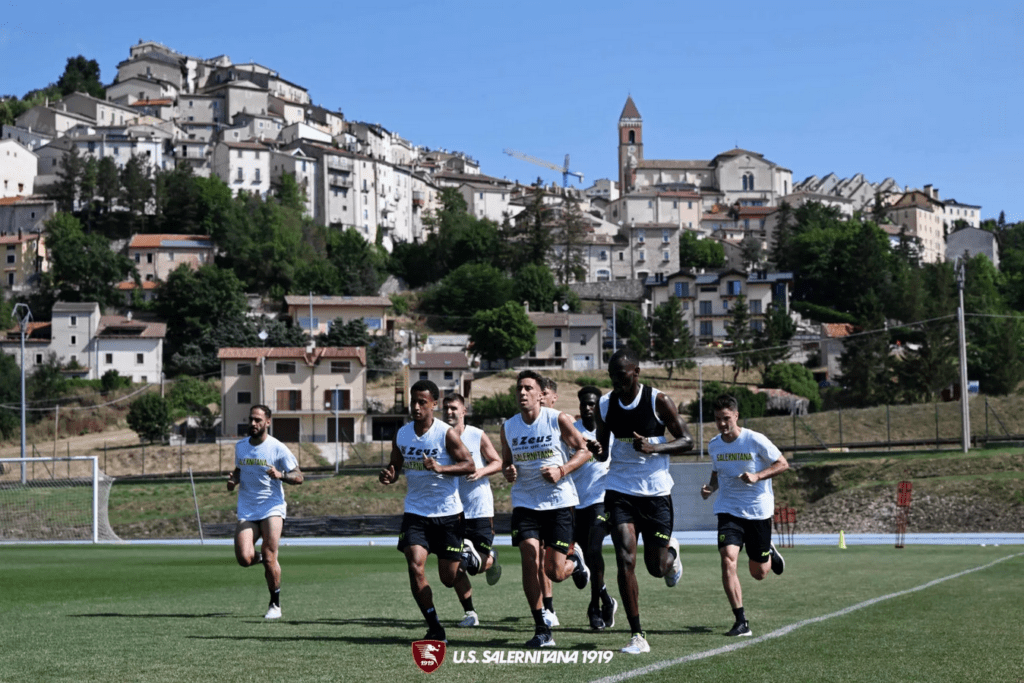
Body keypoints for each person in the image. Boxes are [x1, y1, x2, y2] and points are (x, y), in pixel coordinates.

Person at [594, 348, 694, 655]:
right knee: (625, 559)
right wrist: (595, 449)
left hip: (655, 493)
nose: (616, 381)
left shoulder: (657, 400)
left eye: (621, 375)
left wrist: (653, 447)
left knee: (655, 567)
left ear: (636, 372)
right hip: (620, 490)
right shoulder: (605, 404)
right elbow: (604, 452)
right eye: (611, 375)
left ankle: (672, 554)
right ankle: (637, 634)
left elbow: (688, 441)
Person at [502, 370, 597, 648]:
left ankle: (575, 561)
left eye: (528, 388)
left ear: (540, 394)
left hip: (558, 502)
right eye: (519, 388)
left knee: (554, 571)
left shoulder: (558, 419)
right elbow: (508, 464)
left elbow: (585, 450)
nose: (522, 393)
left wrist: (562, 469)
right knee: (529, 559)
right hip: (525, 502)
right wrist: (508, 471)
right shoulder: (508, 427)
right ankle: (542, 628)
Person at [380, 380, 477, 643]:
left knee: (448, 578)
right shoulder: (402, 434)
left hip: (447, 515)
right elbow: (395, 464)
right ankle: (434, 626)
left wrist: (442, 469)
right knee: (415, 566)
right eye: (413, 401)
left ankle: (467, 557)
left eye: (422, 402)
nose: (416, 407)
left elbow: (469, 465)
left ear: (434, 404)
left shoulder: (446, 434)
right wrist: (390, 475)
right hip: (415, 513)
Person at [701, 394, 789, 637]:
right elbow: (717, 471)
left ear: (736, 416)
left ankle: (767, 550)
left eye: (726, 418)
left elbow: (783, 463)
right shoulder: (714, 444)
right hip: (728, 510)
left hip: (758, 511)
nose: (721, 424)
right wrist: (710, 488)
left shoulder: (755, 440)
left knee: (758, 573)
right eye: (718, 419)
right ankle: (741, 621)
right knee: (728, 558)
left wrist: (758, 476)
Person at [227, 404, 304, 620]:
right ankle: (265, 558)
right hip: (248, 508)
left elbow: (299, 476)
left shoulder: (277, 448)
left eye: (258, 420)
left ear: (268, 422)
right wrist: (233, 480)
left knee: (271, 554)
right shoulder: (240, 446)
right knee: (244, 558)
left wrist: (282, 475)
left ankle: (275, 605)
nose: (253, 423)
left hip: (272, 507)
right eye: (251, 419)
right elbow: (240, 469)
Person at [442, 392, 503, 628]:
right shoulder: (439, 436)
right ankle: (470, 614)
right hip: (450, 512)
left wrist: (481, 471)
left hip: (478, 509)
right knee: (456, 565)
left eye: (454, 408)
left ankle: (492, 558)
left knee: (474, 565)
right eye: (446, 408)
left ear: (464, 411)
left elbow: (497, 462)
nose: (449, 412)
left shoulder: (476, 435)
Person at [571, 385, 617, 631]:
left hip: (600, 501)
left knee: (593, 550)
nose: (587, 408)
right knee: (583, 560)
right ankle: (607, 600)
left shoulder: (608, 431)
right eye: (583, 404)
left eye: (592, 404)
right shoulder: (571, 432)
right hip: (574, 502)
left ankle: (594, 609)